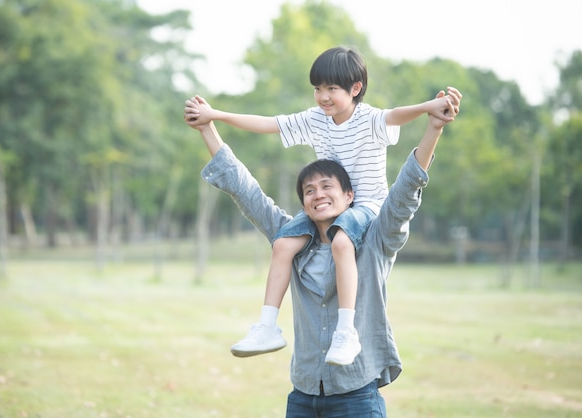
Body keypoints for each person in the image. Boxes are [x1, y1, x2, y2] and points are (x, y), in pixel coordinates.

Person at [183, 87, 461, 417]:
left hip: (355, 397)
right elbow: (244, 189)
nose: (318, 195)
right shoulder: (291, 240)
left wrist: (433, 129)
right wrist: (207, 127)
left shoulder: (373, 241)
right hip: (303, 396)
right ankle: (266, 327)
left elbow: (405, 191)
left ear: (349, 195)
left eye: (327, 186)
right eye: (309, 191)